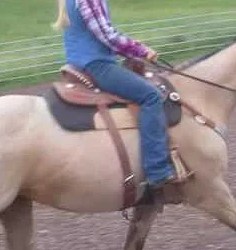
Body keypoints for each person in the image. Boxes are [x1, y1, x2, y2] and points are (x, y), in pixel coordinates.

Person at [53, 0, 176, 189]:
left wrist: (131, 49)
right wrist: (140, 50)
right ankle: (157, 171)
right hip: (96, 65)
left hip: (82, 63)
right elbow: (107, 36)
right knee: (151, 96)